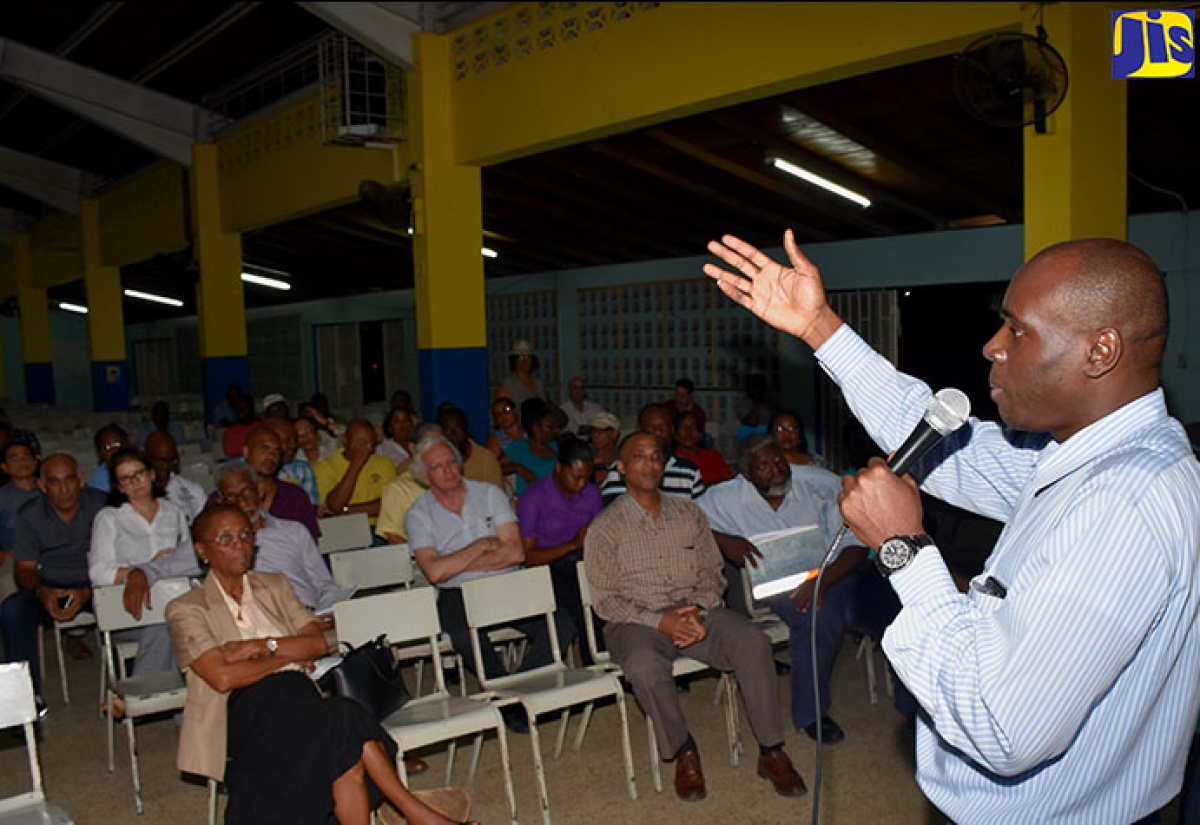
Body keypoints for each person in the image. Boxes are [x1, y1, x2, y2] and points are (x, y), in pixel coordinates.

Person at [705, 231, 1200, 822]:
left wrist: (902, 548)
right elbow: (949, 448)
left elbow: (1001, 726)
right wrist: (820, 328)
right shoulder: (1104, 458)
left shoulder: (1121, 506)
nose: (992, 346)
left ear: (1100, 351)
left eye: (1017, 329)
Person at [165, 504, 471, 825]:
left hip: (299, 696)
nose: (240, 544)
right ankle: (416, 814)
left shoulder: (274, 585)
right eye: (225, 539)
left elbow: (317, 643)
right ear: (202, 551)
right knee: (343, 716)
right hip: (246, 711)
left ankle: (414, 815)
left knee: (343, 743)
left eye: (245, 534)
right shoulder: (187, 608)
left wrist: (264, 648)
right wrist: (286, 655)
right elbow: (223, 677)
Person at [584, 431, 805, 802]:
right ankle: (684, 749)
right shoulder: (605, 529)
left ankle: (771, 751)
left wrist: (698, 611)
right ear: (620, 468)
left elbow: (713, 574)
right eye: (639, 456)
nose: (650, 463)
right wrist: (662, 622)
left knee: (754, 642)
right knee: (643, 665)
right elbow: (606, 601)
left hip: (696, 611)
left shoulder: (689, 513)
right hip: (637, 622)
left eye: (656, 455)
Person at [698, 435, 909, 743]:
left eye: (779, 461)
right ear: (746, 473)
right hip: (783, 582)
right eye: (764, 466)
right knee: (816, 616)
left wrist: (822, 580)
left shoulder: (821, 484)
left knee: (899, 613)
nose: (777, 470)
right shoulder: (724, 498)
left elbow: (856, 545)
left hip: (840, 570)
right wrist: (723, 539)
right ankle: (812, 714)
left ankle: (915, 706)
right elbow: (684, 518)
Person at [405, 436, 562, 692]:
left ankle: (518, 686)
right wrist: (480, 545)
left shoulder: (490, 493)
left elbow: (516, 553)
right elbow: (434, 572)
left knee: (562, 623)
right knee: (462, 635)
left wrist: (453, 562)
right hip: (457, 593)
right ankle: (503, 691)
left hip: (505, 583)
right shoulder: (418, 514)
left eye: (451, 462)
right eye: (437, 466)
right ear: (425, 477)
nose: (448, 469)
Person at [128, 462, 351, 618]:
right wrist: (139, 575)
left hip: (306, 613)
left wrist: (325, 612)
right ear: (221, 501)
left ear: (258, 492)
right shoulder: (213, 542)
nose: (243, 501)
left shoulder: (293, 532)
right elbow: (159, 568)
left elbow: (325, 585)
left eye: (247, 491)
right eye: (233, 496)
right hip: (256, 623)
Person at [0, 454, 107, 710]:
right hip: (50, 585)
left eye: (70, 480)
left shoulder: (102, 506)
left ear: (81, 480)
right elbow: (24, 568)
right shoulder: (30, 514)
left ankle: (133, 680)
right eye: (55, 482)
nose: (64, 489)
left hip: (97, 586)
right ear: (42, 485)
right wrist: (41, 591)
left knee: (130, 597)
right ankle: (27, 698)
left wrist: (87, 592)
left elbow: (119, 562)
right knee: (13, 609)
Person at [88, 447, 190, 679]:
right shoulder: (108, 518)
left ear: (151, 474)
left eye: (139, 474)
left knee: (179, 624)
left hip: (172, 601)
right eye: (126, 478)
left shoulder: (173, 512)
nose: (135, 482)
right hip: (127, 609)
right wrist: (145, 570)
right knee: (167, 627)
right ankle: (144, 697)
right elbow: (98, 572)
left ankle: (178, 704)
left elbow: (187, 559)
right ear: (119, 486)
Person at [517, 437, 600, 664]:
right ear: (558, 467)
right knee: (583, 602)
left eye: (587, 477)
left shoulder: (591, 493)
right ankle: (594, 663)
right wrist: (572, 544)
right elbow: (528, 557)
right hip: (547, 568)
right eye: (576, 477)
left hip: (583, 561)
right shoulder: (533, 497)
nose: (582, 484)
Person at [599, 403, 705, 506]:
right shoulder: (624, 468)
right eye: (651, 427)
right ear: (640, 429)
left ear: (672, 430)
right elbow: (612, 512)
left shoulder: (689, 471)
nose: (658, 432)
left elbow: (699, 516)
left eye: (663, 427)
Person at [235, 425, 320, 540]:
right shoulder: (227, 497)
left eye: (277, 450)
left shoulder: (295, 496)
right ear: (246, 452)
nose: (271, 455)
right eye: (264, 448)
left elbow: (310, 545)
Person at [315, 419, 396, 530]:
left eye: (368, 444)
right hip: (342, 529)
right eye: (359, 442)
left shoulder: (384, 464)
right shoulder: (324, 467)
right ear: (345, 440)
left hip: (377, 528)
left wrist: (346, 510)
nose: (363, 449)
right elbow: (334, 506)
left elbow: (388, 504)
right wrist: (355, 465)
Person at [377, 424, 443, 545]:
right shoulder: (397, 488)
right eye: (428, 445)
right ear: (413, 448)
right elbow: (393, 536)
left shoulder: (452, 480)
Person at [502, 398, 560, 497]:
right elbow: (494, 467)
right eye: (549, 427)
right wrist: (518, 468)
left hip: (553, 498)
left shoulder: (554, 446)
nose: (554, 430)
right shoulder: (520, 447)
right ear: (535, 428)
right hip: (529, 499)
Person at [145, 431, 206, 523]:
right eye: (161, 461)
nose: (166, 466)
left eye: (171, 460)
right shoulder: (135, 491)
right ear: (147, 458)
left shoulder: (193, 491)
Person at [439, 406, 504, 491]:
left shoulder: (485, 459)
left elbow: (497, 497)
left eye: (457, 429)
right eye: (448, 430)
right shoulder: (435, 461)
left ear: (467, 430)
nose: (453, 434)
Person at [265, 416, 320, 506]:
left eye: (295, 439)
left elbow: (310, 508)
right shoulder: (250, 471)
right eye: (288, 440)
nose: (294, 445)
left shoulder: (302, 469)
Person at [673, 411, 732, 487]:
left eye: (693, 426)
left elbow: (730, 482)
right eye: (683, 426)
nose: (688, 431)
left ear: (700, 434)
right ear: (675, 434)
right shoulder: (672, 461)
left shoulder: (713, 456)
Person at [496, 339, 546, 407]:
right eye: (521, 357)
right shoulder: (507, 387)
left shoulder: (539, 383)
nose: (525, 361)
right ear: (514, 360)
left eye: (528, 357)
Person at [86, 423, 129, 492]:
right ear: (99, 454)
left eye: (117, 444)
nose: (114, 450)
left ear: (127, 446)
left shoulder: (140, 468)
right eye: (108, 447)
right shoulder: (97, 483)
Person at [588, 411, 621, 485]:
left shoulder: (622, 455)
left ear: (614, 433)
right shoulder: (586, 453)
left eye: (600, 432)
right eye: (593, 431)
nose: (595, 436)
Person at [377, 406, 415, 471]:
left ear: (411, 424)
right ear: (390, 428)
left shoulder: (420, 444)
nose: (402, 424)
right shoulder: (382, 448)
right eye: (397, 421)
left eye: (405, 420)